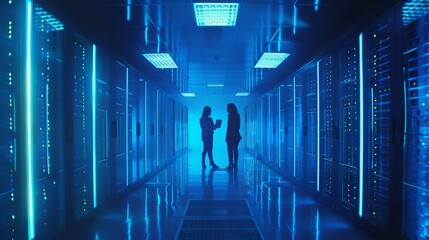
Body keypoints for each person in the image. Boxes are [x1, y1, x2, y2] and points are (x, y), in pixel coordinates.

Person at [225, 103, 241, 169]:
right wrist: (227, 135)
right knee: (230, 149)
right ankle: (231, 163)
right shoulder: (229, 116)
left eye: (227, 107)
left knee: (234, 149)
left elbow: (238, 126)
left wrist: (233, 133)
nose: (226, 109)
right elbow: (228, 127)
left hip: (235, 135)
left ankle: (235, 163)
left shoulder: (236, 115)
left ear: (231, 108)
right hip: (230, 135)